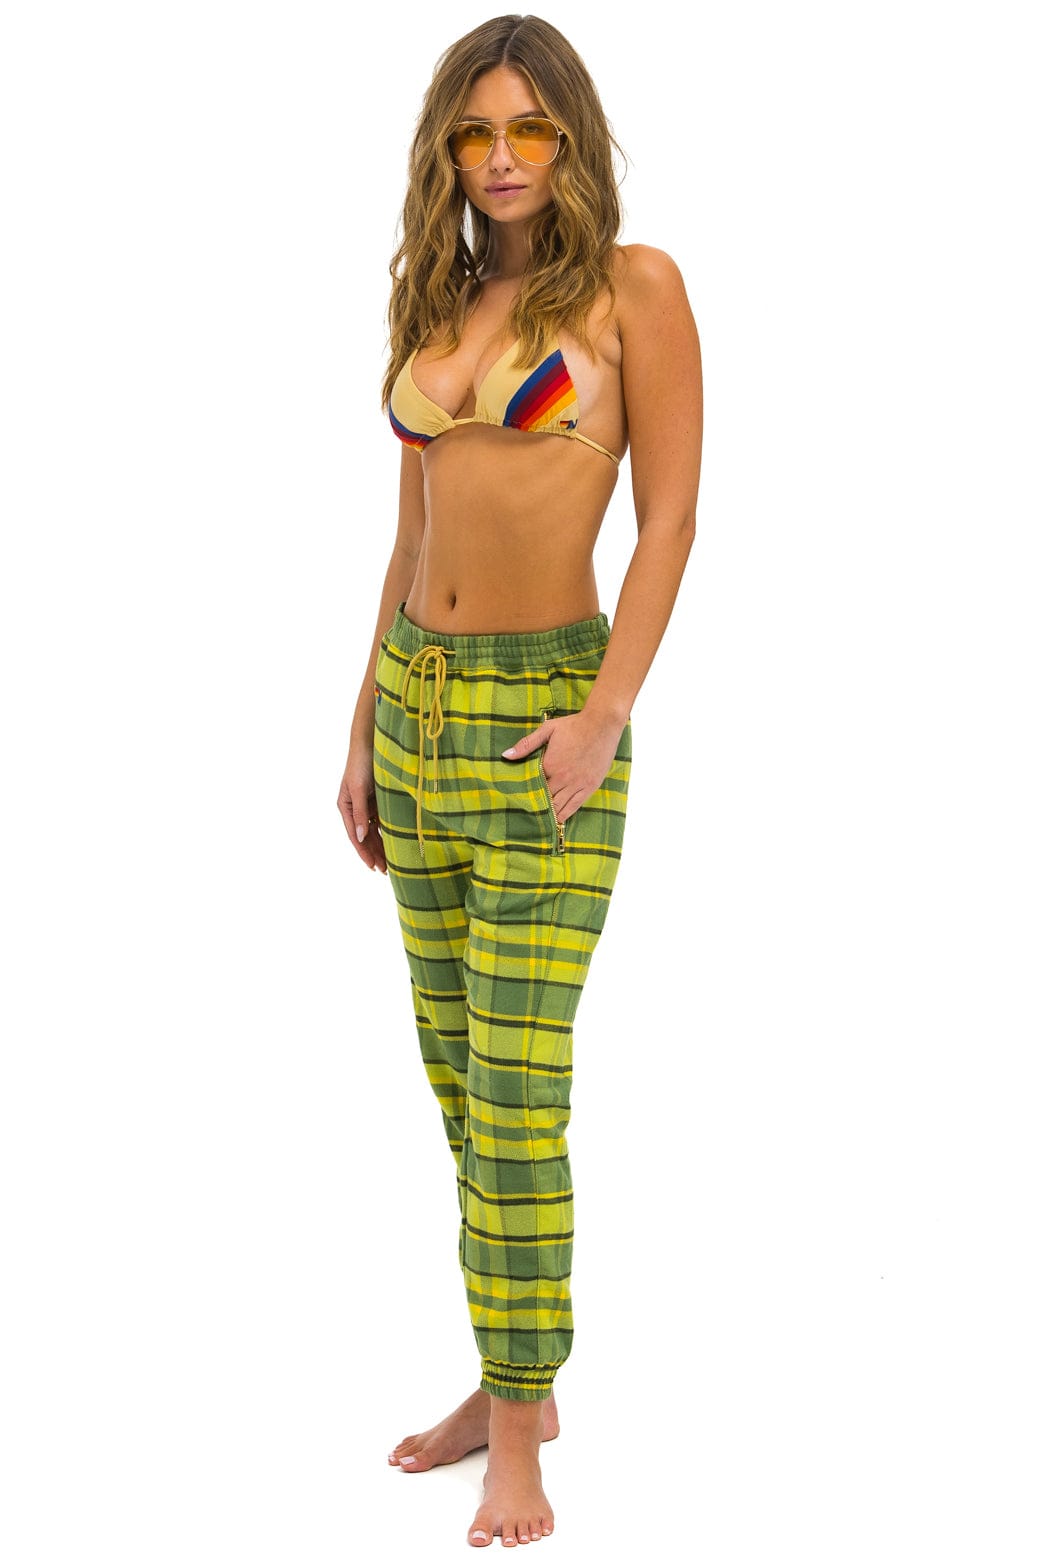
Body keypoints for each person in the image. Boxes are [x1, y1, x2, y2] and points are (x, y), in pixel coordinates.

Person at [337, 13, 702, 1548]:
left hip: (547, 725)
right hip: (420, 720)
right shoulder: (439, 298)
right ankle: (510, 1382)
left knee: (516, 1092)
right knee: (456, 1077)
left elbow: (670, 519)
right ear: (448, 147)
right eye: (476, 131)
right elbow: (410, 529)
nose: (501, 157)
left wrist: (606, 714)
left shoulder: (632, 291)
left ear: (571, 141)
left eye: (530, 130)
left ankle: (519, 1428)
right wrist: (363, 719)